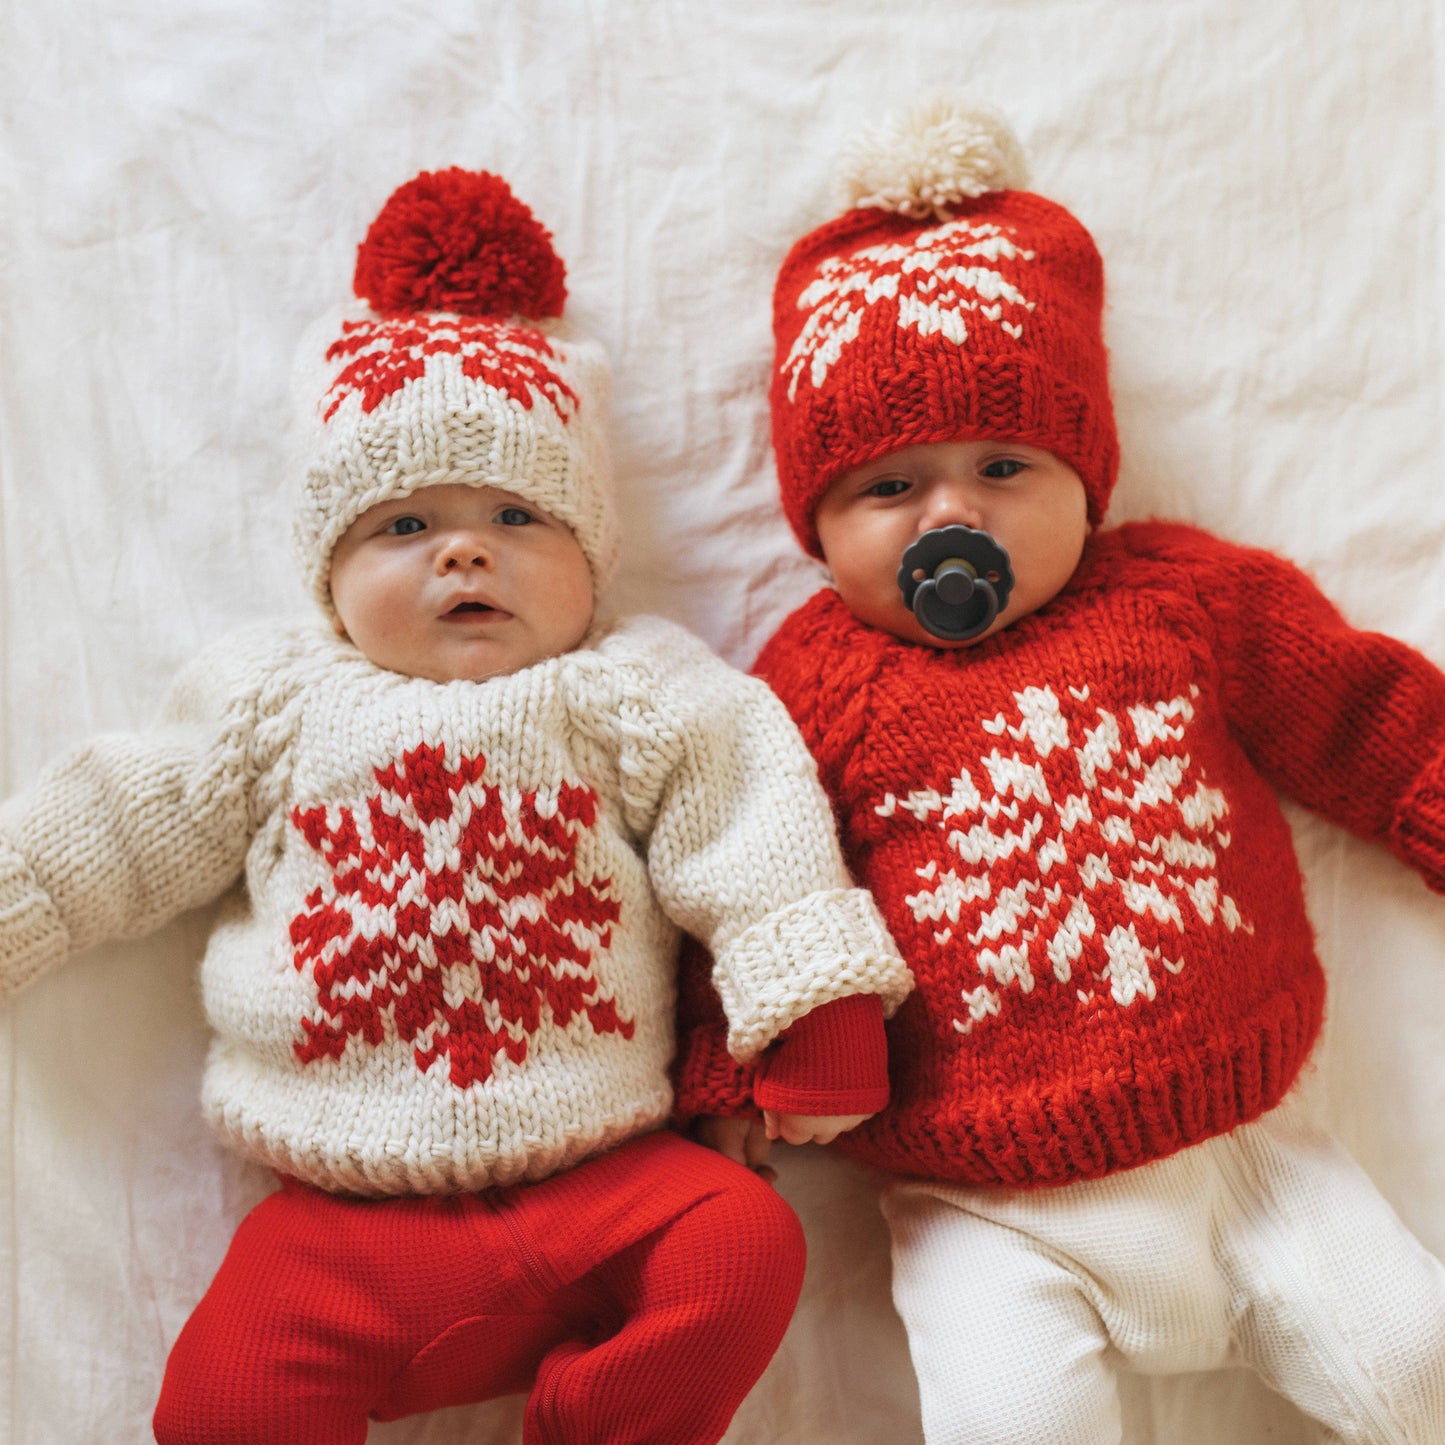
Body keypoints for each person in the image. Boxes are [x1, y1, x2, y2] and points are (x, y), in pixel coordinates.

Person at [0, 167, 911, 1445]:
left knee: (744, 1239)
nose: (462, 551)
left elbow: (749, 816)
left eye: (515, 515)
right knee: (218, 1407)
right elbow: (113, 821)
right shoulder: (274, 700)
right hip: (337, 1230)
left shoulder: (631, 688)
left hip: (600, 1186)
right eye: (406, 522)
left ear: (587, 555)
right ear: (327, 570)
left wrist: (812, 1001)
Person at [675, 100, 1445, 1444]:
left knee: (1413, 1348)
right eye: (890, 487)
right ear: (815, 523)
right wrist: (728, 1072)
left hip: (1245, 1147)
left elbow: (1359, 714)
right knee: (1010, 1418)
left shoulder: (1184, 599)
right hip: (982, 1205)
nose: (952, 515)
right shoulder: (808, 688)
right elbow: (742, 881)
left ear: (1086, 471)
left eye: (1002, 465)